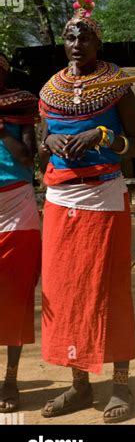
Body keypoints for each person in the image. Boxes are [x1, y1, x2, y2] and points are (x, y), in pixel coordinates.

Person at [38, 0, 135, 423]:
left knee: (109, 289)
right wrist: (50, 143)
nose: (77, 41)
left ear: (98, 42)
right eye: (70, 35)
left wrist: (102, 135)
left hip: (103, 197)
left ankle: (121, 384)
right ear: (64, 44)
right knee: (65, 293)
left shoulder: (117, 86)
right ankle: (79, 385)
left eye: (85, 35)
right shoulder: (51, 88)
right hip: (60, 201)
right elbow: (43, 135)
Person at [0, 53, 41, 412]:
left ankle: (10, 380)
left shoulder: (20, 104)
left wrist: (1, 130)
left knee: (15, 300)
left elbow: (29, 158)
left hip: (17, 211)